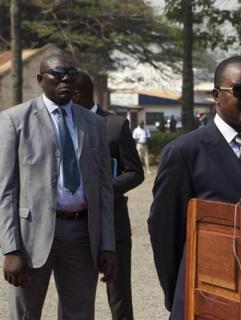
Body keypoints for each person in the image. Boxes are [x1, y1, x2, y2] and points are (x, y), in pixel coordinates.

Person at [148, 56, 241, 319]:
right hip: (205, 292)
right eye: (240, 90)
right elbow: (165, 231)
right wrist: (179, 287)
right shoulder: (185, 152)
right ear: (216, 95)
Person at [0, 54, 116, 319]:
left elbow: (104, 190)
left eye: (72, 74)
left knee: (80, 313)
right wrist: (11, 248)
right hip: (32, 239)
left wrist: (107, 244)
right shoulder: (15, 121)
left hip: (82, 235)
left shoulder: (94, 124)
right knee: (25, 314)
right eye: (58, 73)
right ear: (41, 80)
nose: (66, 79)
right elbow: (6, 191)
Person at [74, 71, 144, 320]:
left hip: (113, 226)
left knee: (119, 298)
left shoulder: (114, 125)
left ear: (76, 95)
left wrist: (102, 189)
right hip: (74, 228)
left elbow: (136, 173)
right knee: (74, 299)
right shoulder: (61, 126)